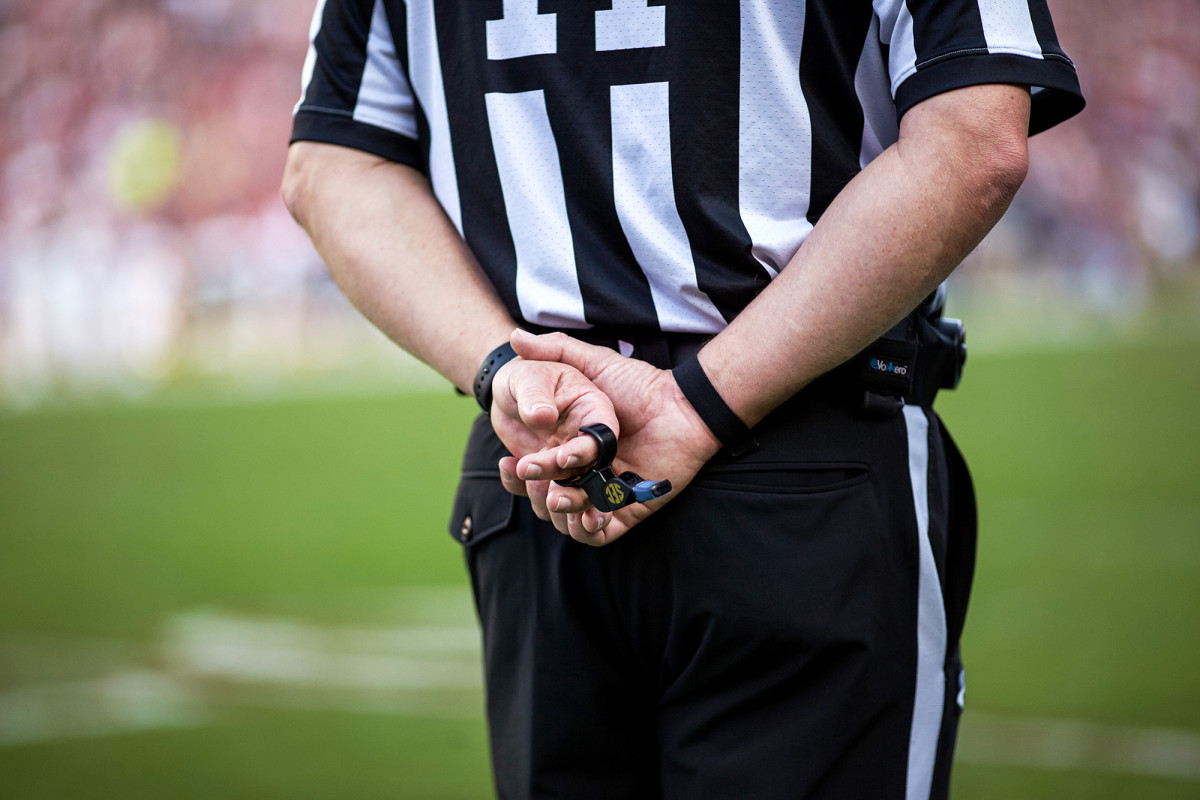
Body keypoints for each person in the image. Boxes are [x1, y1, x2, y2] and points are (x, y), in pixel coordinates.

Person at [282, 2, 1083, 797]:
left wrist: (504, 367)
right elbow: (975, 140)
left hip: (542, 458)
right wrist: (697, 405)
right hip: (794, 465)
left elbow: (332, 164)